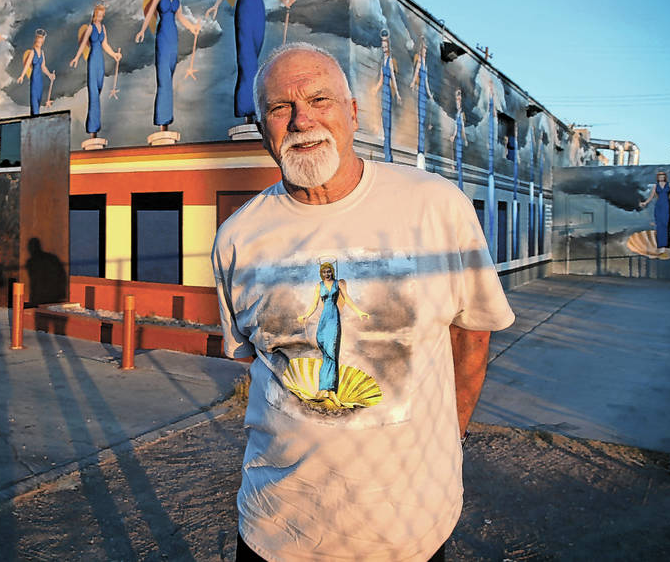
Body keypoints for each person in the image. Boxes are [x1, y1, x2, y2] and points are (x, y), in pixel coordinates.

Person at [212, 43, 514, 561]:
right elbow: (258, 364)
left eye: (319, 99)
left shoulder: (436, 207)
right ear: (263, 128)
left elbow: (472, 340)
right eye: (280, 108)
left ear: (352, 113)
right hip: (276, 529)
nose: (302, 119)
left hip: (408, 532)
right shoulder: (238, 238)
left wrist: (447, 443)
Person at [136, 0, 201, 130]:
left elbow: (180, 16)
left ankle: (167, 120)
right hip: (163, 36)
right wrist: (142, 31)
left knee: (170, 75)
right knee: (164, 78)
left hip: (173, 36)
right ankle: (162, 120)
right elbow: (150, 13)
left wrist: (192, 27)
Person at [297, 260, 369, 400]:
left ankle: (331, 391)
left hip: (334, 319)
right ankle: (324, 389)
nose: (327, 274)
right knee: (325, 353)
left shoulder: (339, 284)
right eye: (324, 271)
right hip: (323, 320)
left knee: (332, 354)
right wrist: (305, 315)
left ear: (332, 271)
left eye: (329, 271)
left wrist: (359, 312)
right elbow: (314, 304)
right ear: (321, 273)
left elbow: (347, 299)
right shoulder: (319, 286)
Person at [70, 2, 122, 136]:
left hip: (100, 62)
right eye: (98, 15)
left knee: (98, 91)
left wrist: (114, 54)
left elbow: (105, 44)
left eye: (102, 16)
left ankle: (93, 126)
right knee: (93, 94)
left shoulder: (103, 28)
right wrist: (76, 57)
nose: (100, 18)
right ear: (94, 15)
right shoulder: (90, 28)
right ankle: (93, 128)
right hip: (93, 61)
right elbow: (82, 45)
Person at [369, 28, 401, 162]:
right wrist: (376, 89)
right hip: (383, 93)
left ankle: (389, 154)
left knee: (387, 120)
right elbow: (381, 78)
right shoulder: (383, 61)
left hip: (389, 93)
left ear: (388, 46)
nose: (383, 48)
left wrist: (398, 94)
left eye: (385, 45)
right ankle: (386, 149)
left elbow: (392, 77)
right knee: (383, 118)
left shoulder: (390, 60)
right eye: (382, 45)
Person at [638, 170, 670, 248]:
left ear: (665, 177)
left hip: (666, 205)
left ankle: (665, 245)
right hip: (658, 205)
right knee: (659, 225)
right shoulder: (655, 186)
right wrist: (645, 203)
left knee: (665, 224)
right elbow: (651, 196)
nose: (661, 178)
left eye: (663, 176)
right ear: (657, 178)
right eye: (660, 176)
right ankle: (660, 245)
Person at [17, 29, 55, 115]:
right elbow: (27, 65)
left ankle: (35, 118)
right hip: (34, 79)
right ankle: (35, 117)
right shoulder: (32, 52)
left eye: (41, 42)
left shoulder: (42, 52)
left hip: (40, 81)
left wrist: (50, 75)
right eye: (38, 42)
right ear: (36, 41)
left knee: (38, 101)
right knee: (34, 102)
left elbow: (43, 66)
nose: (39, 43)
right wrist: (22, 76)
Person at [409, 36, 433, 169]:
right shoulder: (419, 62)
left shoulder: (425, 64)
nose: (425, 51)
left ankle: (422, 151)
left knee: (423, 121)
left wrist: (430, 95)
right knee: (420, 120)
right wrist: (412, 84)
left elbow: (427, 83)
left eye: (426, 50)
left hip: (424, 94)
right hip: (420, 92)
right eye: (423, 49)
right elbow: (416, 75)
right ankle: (419, 151)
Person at [450, 88, 467, 190]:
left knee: (457, 152)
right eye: (456, 99)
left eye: (459, 100)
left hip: (459, 137)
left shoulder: (461, 113)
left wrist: (464, 138)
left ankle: (456, 166)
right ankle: (454, 165)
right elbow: (457, 126)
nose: (458, 101)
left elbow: (461, 127)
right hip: (458, 136)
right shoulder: (457, 113)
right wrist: (453, 135)